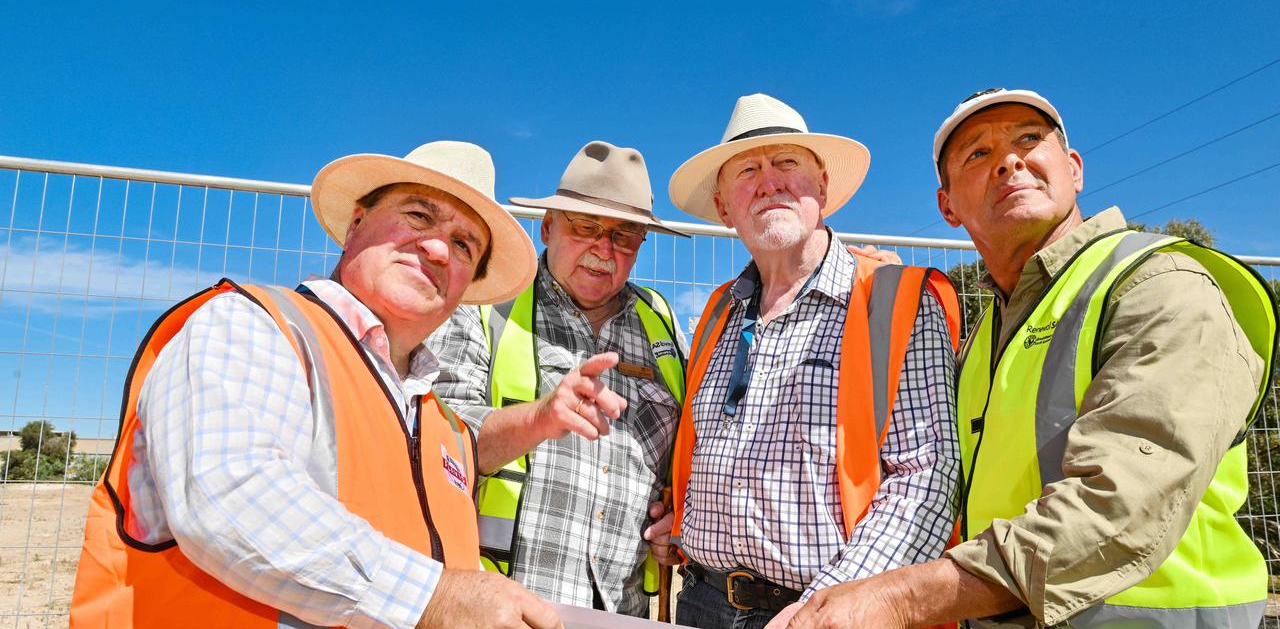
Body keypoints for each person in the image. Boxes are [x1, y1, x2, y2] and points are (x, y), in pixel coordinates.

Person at [783, 88, 1278, 628]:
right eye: (977, 154)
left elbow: (1119, 507)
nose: (1009, 161)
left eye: (1028, 139)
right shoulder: (985, 339)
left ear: (1072, 168)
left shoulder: (1158, 285)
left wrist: (897, 598)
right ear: (947, 206)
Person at [71, 142, 564, 629]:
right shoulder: (253, 327)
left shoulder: (443, 427)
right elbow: (230, 498)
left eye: (463, 245)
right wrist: (435, 598)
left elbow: (446, 564)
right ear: (355, 224)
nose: (437, 249)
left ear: (467, 283)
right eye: (418, 216)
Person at [648, 93, 962, 629]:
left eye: (787, 163)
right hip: (701, 603)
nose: (769, 182)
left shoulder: (898, 302)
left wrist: (825, 610)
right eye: (747, 170)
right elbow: (715, 450)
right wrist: (689, 520)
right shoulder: (717, 314)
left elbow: (927, 479)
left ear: (822, 188)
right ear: (724, 206)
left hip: (837, 614)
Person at [427, 140, 689, 617]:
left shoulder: (663, 325)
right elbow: (440, 444)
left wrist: (677, 521)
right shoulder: (486, 304)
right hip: (502, 608)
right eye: (586, 226)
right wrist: (541, 417)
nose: (603, 248)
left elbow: (685, 456)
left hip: (622, 612)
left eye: (624, 235)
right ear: (547, 227)